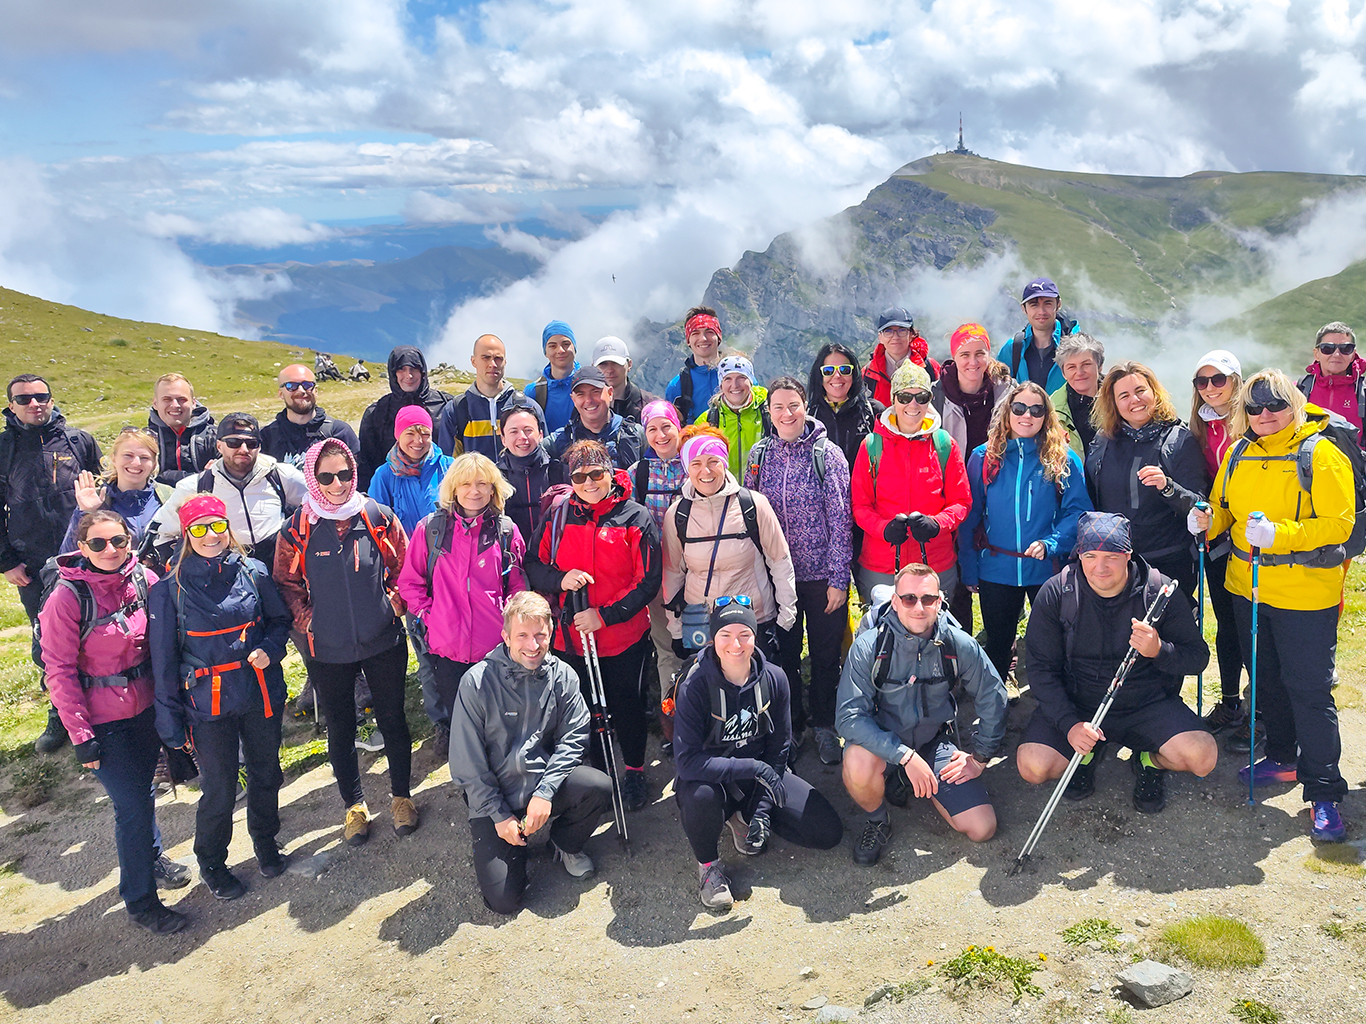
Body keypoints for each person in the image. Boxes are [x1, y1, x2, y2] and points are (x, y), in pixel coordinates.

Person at [1192, 370, 1354, 841]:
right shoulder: (1240, 452)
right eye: (1256, 407)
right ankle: (1283, 758)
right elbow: (1224, 506)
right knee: (1265, 682)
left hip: (1305, 595)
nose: (1265, 415)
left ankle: (1324, 792)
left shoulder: (1320, 454)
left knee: (1309, 690)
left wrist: (1279, 535)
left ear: (1294, 404)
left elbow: (1338, 524)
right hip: (1249, 587)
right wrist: (1206, 518)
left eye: (1275, 405)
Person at [39, 511, 188, 934]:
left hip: (147, 710)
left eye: (119, 542)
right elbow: (59, 671)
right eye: (100, 544)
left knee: (144, 795)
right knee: (133, 809)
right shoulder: (67, 599)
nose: (111, 551)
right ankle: (141, 901)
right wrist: (80, 735)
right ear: (82, 548)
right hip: (105, 723)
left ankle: (152, 857)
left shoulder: (144, 578)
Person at [1017, 512, 1216, 814]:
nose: (1100, 567)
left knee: (1202, 758)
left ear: (1128, 554)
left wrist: (1159, 649)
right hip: (1078, 703)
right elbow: (1041, 670)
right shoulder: (1057, 593)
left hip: (1146, 704)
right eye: (1091, 555)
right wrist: (1070, 725)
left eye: (1112, 556)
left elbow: (1197, 657)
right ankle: (1084, 753)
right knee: (1033, 766)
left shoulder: (1159, 592)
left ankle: (1148, 761)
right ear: (1079, 555)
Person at [273, 439, 416, 848]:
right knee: (340, 726)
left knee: (393, 719)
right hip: (327, 649)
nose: (338, 484)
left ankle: (401, 797)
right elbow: (286, 582)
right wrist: (309, 621)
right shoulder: (297, 528)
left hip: (383, 639)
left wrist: (392, 606)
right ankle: (354, 806)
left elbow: (403, 567)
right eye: (327, 477)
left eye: (345, 474)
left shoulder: (377, 516)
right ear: (312, 479)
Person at [149, 495, 293, 899]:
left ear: (228, 528)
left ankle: (266, 843)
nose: (210, 536)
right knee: (220, 786)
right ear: (185, 534)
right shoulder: (168, 591)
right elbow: (162, 663)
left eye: (216, 526)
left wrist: (272, 647)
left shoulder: (254, 571)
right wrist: (169, 723)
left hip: (258, 690)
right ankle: (212, 862)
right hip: (206, 705)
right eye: (199, 528)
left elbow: (280, 621)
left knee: (266, 773)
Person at [448, 591, 614, 914]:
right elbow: (467, 764)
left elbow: (575, 737)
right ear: (506, 636)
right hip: (498, 796)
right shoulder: (476, 683)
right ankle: (512, 846)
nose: (533, 645)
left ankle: (564, 843)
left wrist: (546, 792)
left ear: (551, 633)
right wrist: (498, 816)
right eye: (522, 635)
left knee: (599, 786)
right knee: (504, 902)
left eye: (541, 634)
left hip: (541, 786)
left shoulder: (563, 676)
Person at [673, 599, 843, 909]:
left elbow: (779, 746)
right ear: (713, 638)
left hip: (760, 776)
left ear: (755, 636)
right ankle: (709, 868)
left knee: (827, 832)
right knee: (699, 798)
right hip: (711, 779)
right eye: (725, 634)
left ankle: (745, 817)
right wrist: (753, 767)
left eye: (744, 634)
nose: (735, 644)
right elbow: (687, 762)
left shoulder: (775, 678)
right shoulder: (695, 685)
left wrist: (763, 809)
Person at [836, 564, 1007, 865]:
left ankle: (908, 778)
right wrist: (905, 756)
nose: (919, 607)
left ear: (940, 601)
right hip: (882, 743)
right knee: (856, 763)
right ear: (895, 602)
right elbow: (849, 717)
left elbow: (993, 695)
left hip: (933, 742)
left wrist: (980, 756)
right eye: (909, 598)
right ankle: (877, 820)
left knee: (982, 828)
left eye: (928, 599)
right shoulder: (869, 646)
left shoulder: (957, 643)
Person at [523, 440, 661, 812]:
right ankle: (600, 776)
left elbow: (648, 580)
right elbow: (533, 565)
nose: (588, 482)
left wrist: (605, 615)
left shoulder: (635, 517)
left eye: (596, 473)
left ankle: (633, 770)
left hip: (623, 637)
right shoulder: (559, 515)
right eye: (580, 476)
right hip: (572, 639)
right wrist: (560, 579)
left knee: (627, 705)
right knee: (583, 710)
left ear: (610, 472)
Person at [743, 376, 852, 766]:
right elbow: (749, 518)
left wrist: (839, 580)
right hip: (776, 580)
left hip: (822, 577)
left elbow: (841, 519)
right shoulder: (759, 456)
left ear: (806, 406)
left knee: (825, 657)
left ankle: (825, 725)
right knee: (783, 658)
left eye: (794, 405)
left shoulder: (827, 454)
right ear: (768, 412)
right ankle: (791, 727)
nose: (787, 414)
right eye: (778, 407)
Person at [959, 382, 1091, 687]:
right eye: (1019, 408)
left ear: (1046, 416)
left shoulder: (1063, 458)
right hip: (996, 566)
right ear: (1007, 412)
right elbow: (970, 515)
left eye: (1036, 410)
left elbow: (1077, 511)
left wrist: (1052, 543)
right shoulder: (983, 457)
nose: (1026, 416)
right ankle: (994, 709)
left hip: (1046, 568)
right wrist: (969, 567)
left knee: (1052, 642)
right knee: (997, 641)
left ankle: (1051, 704)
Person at [397, 452, 526, 760]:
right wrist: (431, 616)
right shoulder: (429, 530)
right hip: (447, 648)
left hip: (495, 649)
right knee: (462, 724)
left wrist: (508, 624)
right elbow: (410, 582)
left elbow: (517, 586)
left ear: (494, 488)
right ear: (453, 488)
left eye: (483, 483)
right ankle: (473, 789)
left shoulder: (506, 531)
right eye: (466, 483)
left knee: (500, 725)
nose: (474, 491)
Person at [1, 374, 104, 754]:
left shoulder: (78, 441)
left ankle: (99, 706)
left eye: (41, 396)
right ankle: (60, 712)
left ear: (51, 398)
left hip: (85, 556)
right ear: (11, 405)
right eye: (24, 399)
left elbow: (98, 497)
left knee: (96, 631)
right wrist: (6, 561)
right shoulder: (3, 447)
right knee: (47, 641)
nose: (34, 404)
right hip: (31, 562)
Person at [662, 426, 797, 661]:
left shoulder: (753, 505)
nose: (705, 470)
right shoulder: (677, 516)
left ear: (724, 461)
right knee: (709, 694)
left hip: (753, 620)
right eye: (695, 463)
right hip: (702, 624)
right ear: (686, 468)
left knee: (755, 691)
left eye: (713, 460)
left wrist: (786, 617)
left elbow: (779, 560)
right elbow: (673, 574)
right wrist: (676, 629)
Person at [1085, 361, 1209, 599]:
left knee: (1165, 635)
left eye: (1140, 390)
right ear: (1114, 404)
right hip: (1115, 560)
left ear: (1154, 392)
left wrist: (1168, 487)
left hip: (1169, 563)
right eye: (1124, 395)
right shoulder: (1103, 442)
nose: (1135, 400)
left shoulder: (1180, 440)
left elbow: (1199, 506)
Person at [850, 360, 971, 600]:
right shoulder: (872, 446)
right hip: (882, 567)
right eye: (904, 397)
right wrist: (883, 529)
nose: (913, 404)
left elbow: (962, 502)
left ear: (930, 400)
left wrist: (936, 524)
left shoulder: (945, 445)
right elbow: (859, 506)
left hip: (935, 565)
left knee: (932, 633)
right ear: (893, 400)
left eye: (921, 397)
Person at [930, 323, 1013, 632]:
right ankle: (957, 640)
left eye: (980, 353)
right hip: (952, 495)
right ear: (954, 356)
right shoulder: (937, 396)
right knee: (957, 568)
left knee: (997, 569)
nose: (973, 362)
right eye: (965, 354)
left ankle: (1001, 641)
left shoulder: (1008, 391)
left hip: (999, 492)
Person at [153, 412, 308, 570]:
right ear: (219, 446)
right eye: (234, 442)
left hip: (279, 566)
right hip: (225, 574)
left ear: (259, 447)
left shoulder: (280, 475)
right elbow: (161, 531)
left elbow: (320, 499)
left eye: (251, 443)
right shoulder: (195, 486)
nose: (243, 449)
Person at [1187, 350, 1247, 734]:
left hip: (1253, 537)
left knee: (1250, 624)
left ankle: (1260, 705)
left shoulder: (1256, 418)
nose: (1210, 388)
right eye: (1202, 382)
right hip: (1215, 535)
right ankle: (1231, 702)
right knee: (1227, 621)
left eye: (1219, 380)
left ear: (1236, 381)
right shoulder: (1200, 426)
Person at [628, 400, 689, 727]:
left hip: (698, 572)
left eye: (666, 426)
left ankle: (706, 719)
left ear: (677, 427)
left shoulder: (697, 464)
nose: (661, 434)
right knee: (666, 649)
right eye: (652, 428)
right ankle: (675, 720)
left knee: (702, 644)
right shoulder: (637, 473)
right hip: (656, 576)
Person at [357, 346, 455, 490]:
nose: (408, 376)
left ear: (422, 372)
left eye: (414, 369)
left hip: (443, 490)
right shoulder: (377, 413)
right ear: (393, 373)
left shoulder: (446, 404)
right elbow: (366, 462)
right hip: (392, 494)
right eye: (401, 369)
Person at [61, 427, 168, 557]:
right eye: (128, 455)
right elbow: (68, 556)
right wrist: (84, 513)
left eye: (144, 457)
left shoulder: (169, 497)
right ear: (114, 458)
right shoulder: (98, 500)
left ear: (154, 463)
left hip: (162, 576)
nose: (136, 463)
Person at [368, 407, 455, 536]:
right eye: (410, 434)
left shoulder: (450, 467)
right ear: (398, 435)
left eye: (425, 434)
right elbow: (375, 524)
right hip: (405, 552)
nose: (418, 441)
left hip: (446, 552)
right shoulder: (384, 475)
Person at [437, 334, 524, 458]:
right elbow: (447, 466)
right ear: (473, 361)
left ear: (505, 362)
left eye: (498, 358)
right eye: (486, 357)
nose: (492, 364)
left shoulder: (525, 406)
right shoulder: (456, 410)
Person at [260, 363, 360, 471]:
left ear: (316, 391)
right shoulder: (267, 437)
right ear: (280, 393)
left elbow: (358, 476)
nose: (301, 391)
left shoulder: (339, 432)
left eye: (307, 385)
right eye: (291, 386)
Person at [547, 367, 645, 469]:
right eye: (581, 394)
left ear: (610, 393)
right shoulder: (558, 441)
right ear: (573, 399)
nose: (589, 400)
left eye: (595, 392)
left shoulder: (637, 435)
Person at [807, 342, 884, 470]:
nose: (837, 376)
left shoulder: (873, 412)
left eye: (845, 370)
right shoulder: (809, 417)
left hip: (865, 489)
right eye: (828, 371)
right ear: (820, 377)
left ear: (854, 375)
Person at [995, 277, 1080, 391]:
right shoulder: (1012, 349)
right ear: (1024, 309)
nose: (1041, 311)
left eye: (1047, 303)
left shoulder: (1077, 347)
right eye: (1034, 305)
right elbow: (999, 393)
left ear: (1058, 304)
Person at [495, 400, 560, 543]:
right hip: (509, 557)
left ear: (541, 435)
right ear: (503, 439)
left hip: (551, 558)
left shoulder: (559, 472)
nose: (522, 437)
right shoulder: (494, 478)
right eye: (513, 432)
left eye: (528, 430)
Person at [696, 355, 770, 476]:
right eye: (728, 379)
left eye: (741, 377)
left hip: (762, 491)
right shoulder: (706, 421)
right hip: (723, 491)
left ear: (751, 381)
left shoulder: (768, 413)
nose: (735, 385)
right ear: (721, 384)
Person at [1296, 321, 1365, 447]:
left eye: (1346, 349)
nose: (1337, 354)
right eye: (1327, 348)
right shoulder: (1299, 389)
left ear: (1353, 354)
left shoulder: (1362, 391)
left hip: (1352, 466)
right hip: (1309, 465)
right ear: (1316, 354)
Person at [863, 306, 940, 408]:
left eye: (902, 330)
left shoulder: (930, 368)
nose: (895, 337)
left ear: (911, 334)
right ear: (880, 337)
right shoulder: (868, 373)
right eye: (888, 331)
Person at [147, 373, 216, 486]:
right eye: (167, 399)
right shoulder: (145, 440)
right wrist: (201, 477)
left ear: (193, 403)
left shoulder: (215, 437)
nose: (175, 405)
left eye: (181, 399)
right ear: (155, 403)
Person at [665, 306, 724, 422]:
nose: (703, 338)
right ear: (688, 341)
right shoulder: (677, 386)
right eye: (695, 333)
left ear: (718, 337)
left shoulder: (738, 374)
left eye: (709, 332)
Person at [1050, 333, 1105, 457]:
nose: (1079, 372)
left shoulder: (1120, 397)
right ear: (1063, 373)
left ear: (1099, 366)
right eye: (1071, 367)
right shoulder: (1051, 408)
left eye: (1086, 364)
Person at [524, 320, 580, 434]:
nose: (560, 350)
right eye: (552, 346)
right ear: (545, 352)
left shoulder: (590, 384)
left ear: (575, 347)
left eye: (566, 344)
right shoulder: (534, 392)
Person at [592, 336, 656, 423]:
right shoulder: (587, 407)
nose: (610, 370)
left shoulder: (650, 406)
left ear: (629, 364)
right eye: (603, 364)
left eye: (616, 363)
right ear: (593, 367)